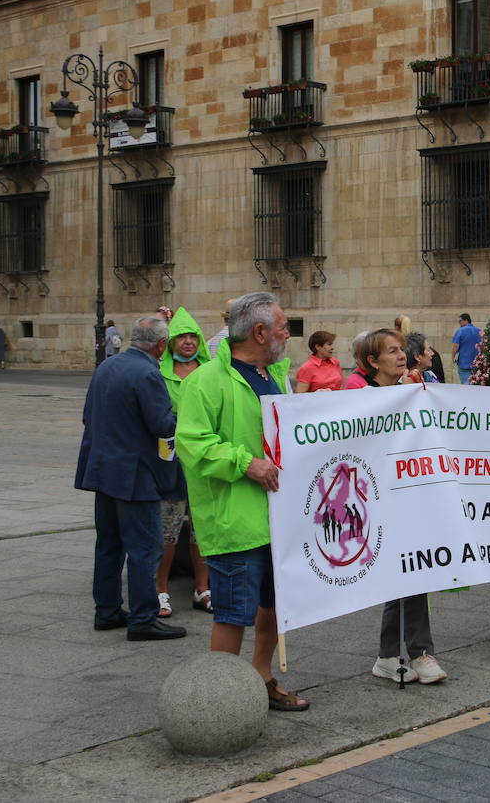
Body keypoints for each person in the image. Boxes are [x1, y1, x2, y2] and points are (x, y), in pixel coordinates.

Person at [176, 292, 309, 711]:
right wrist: (245, 463)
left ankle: (261, 678)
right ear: (259, 332)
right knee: (233, 612)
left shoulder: (276, 375)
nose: (288, 333)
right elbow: (193, 444)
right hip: (235, 520)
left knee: (273, 607)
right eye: (284, 326)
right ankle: (221, 699)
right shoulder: (206, 381)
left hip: (277, 517)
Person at [75, 315, 187, 643]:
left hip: (103, 470)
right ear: (162, 345)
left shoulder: (106, 367)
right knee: (144, 547)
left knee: (109, 545)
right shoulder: (149, 373)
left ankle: (107, 611)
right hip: (135, 475)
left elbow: (87, 416)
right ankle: (143, 617)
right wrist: (186, 415)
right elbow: (162, 425)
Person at [357, 329, 447, 684]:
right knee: (401, 577)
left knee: (415, 572)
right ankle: (410, 652)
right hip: (381, 497)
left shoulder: (417, 393)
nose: (400, 355)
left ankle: (398, 653)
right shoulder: (363, 397)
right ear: (372, 362)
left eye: (400, 350)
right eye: (391, 351)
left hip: (413, 494)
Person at [156, 308, 212, 616]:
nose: (188, 342)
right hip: (172, 465)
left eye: (193, 336)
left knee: (201, 529)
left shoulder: (210, 370)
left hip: (202, 463)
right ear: (171, 342)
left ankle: (202, 588)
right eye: (182, 337)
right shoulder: (159, 373)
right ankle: (160, 589)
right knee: (168, 529)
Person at [451, 313, 483, 384]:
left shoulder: (460, 331)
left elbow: (455, 346)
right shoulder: (479, 331)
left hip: (464, 363)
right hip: (477, 364)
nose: (459, 323)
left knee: (465, 384)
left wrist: (453, 357)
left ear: (466, 320)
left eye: (460, 321)